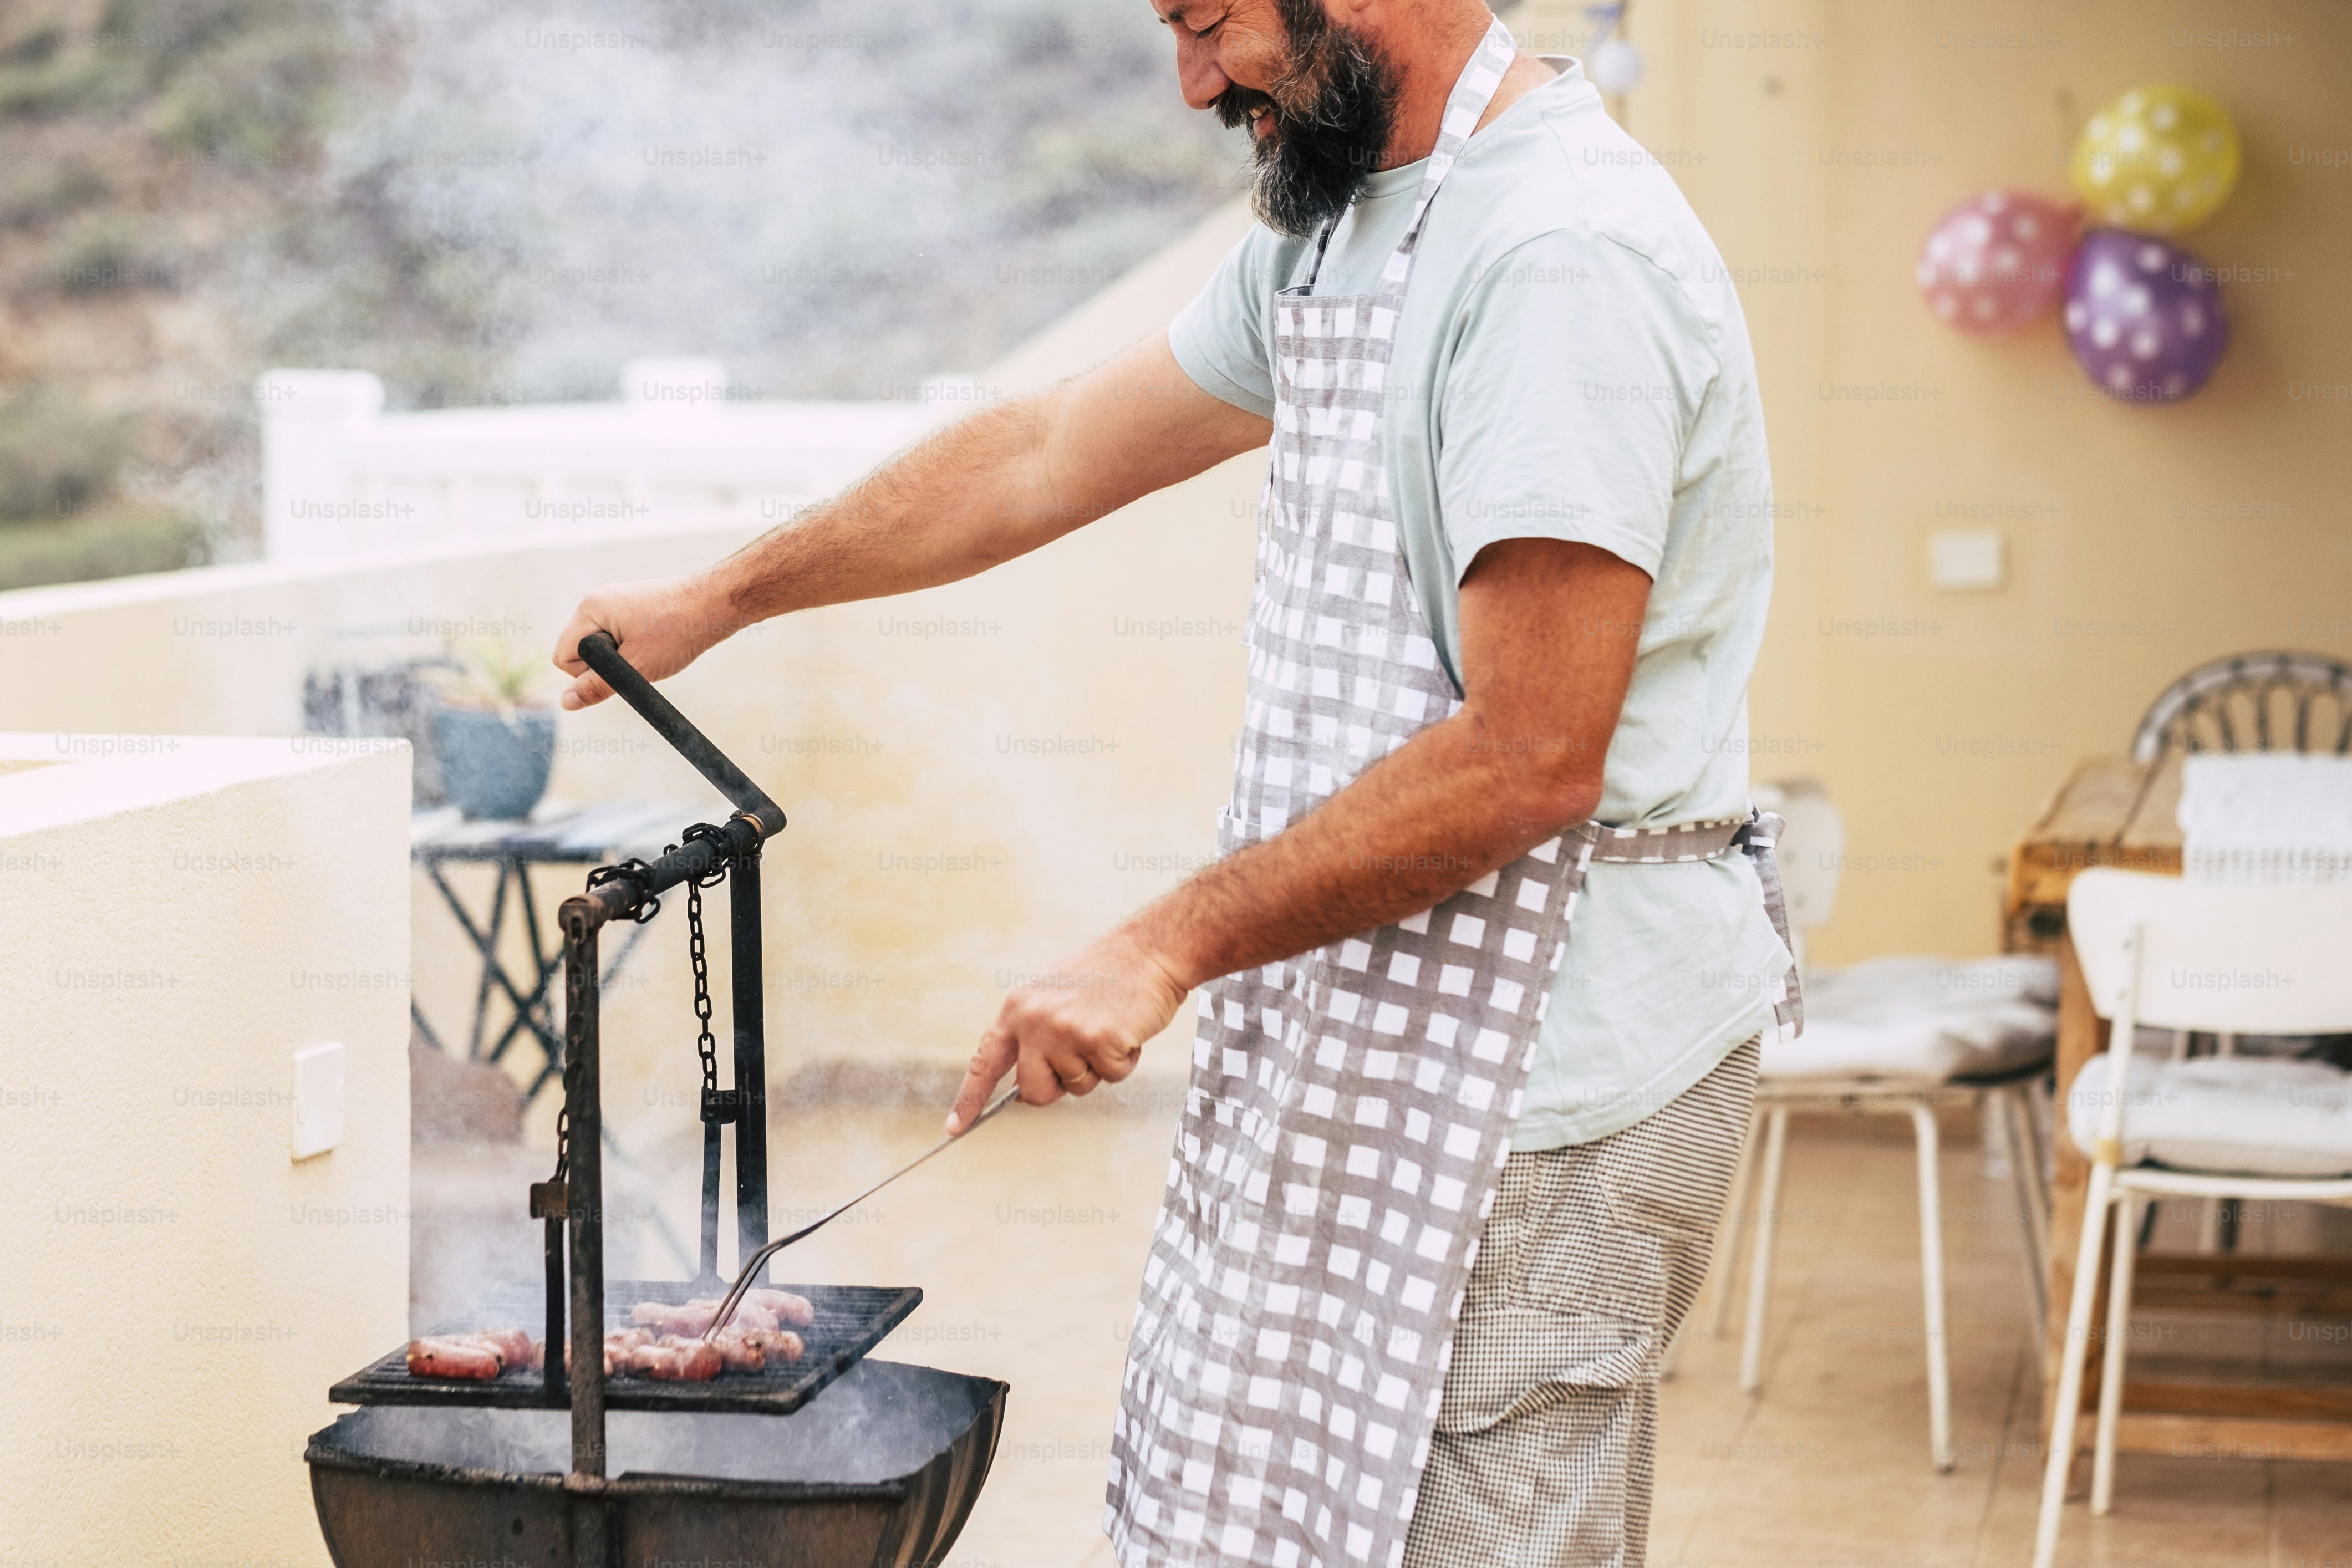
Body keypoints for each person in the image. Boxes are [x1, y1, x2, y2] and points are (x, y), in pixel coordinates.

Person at [553, 1, 1798, 1561]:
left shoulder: (1562, 258)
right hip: (1369, 1025)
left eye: (1207, 24)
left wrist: (1159, 944)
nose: (1193, 84)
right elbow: (1045, 447)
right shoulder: (1339, 231)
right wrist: (721, 598)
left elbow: (1527, 753)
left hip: (1546, 1065)